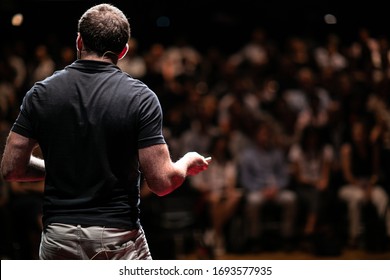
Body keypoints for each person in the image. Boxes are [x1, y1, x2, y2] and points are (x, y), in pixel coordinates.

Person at [0, 3, 210, 260]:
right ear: (123, 50)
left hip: (58, 237)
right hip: (116, 239)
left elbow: (11, 168)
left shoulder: (40, 94)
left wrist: (59, 168)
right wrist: (187, 161)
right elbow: (162, 183)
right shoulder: (140, 98)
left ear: (79, 40)